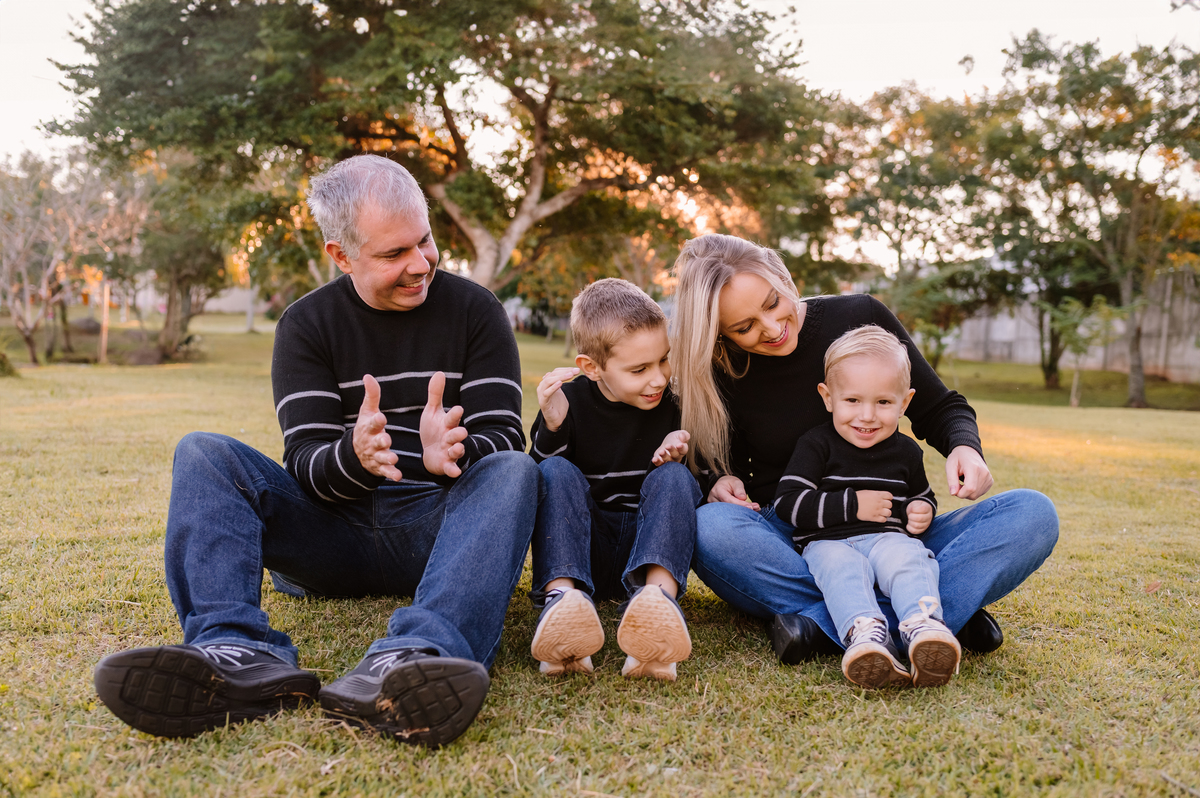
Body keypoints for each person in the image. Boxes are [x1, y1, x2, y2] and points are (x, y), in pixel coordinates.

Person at [92, 154, 540, 748]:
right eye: (392, 255)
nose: (419, 265)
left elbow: (506, 435)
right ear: (341, 255)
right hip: (331, 536)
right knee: (202, 451)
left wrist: (454, 452)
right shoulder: (305, 325)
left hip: (437, 529)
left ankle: (417, 653)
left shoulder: (476, 311)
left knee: (513, 468)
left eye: (424, 242)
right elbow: (304, 463)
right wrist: (355, 457)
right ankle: (235, 650)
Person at [669, 233, 1059, 664]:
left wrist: (965, 448)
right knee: (711, 528)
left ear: (781, 276)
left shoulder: (860, 315)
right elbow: (707, 460)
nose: (772, 328)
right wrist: (717, 481)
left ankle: (829, 626)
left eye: (772, 302)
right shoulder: (720, 368)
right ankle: (925, 615)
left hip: (893, 533)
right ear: (720, 335)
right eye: (744, 328)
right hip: (800, 535)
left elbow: (939, 406)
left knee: (1032, 514)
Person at [528, 278, 702, 681]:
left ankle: (656, 606)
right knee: (553, 470)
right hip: (581, 548)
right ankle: (562, 601)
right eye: (639, 369)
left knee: (675, 478)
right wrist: (553, 427)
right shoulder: (567, 401)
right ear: (592, 367)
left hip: (643, 548)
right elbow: (536, 487)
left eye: (663, 360)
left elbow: (692, 494)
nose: (658, 378)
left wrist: (680, 455)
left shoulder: (671, 404)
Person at [776, 325, 959, 689]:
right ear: (828, 397)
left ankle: (923, 626)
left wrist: (923, 510)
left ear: (904, 403)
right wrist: (854, 505)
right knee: (841, 571)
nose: (867, 416)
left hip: (886, 540)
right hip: (829, 543)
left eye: (884, 403)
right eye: (853, 401)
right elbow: (788, 503)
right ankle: (866, 635)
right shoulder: (816, 445)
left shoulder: (907, 451)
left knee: (909, 558)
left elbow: (920, 497)